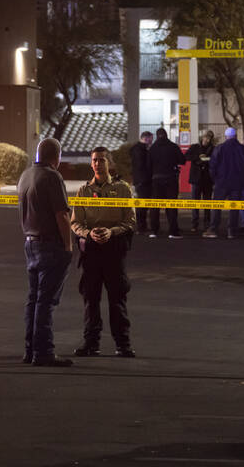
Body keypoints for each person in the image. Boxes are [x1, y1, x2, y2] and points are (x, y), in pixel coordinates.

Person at [71, 146, 138, 358]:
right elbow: (75, 222)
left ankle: (123, 344)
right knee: (90, 299)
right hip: (91, 251)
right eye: (94, 160)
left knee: (117, 298)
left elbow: (130, 221)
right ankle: (91, 343)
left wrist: (111, 231)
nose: (97, 164)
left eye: (101, 160)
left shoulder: (122, 189)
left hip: (113, 249)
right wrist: (89, 234)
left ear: (109, 162)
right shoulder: (83, 191)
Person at [18, 137, 75, 367]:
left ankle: (30, 349)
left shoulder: (26, 176)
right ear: (57, 157)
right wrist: (68, 245)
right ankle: (44, 352)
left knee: (33, 299)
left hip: (30, 243)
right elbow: (62, 214)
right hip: (50, 245)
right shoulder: (52, 176)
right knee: (46, 301)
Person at [207, 127, 244, 238]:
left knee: (216, 206)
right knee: (234, 208)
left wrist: (215, 180)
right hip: (237, 184)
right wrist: (243, 181)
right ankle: (232, 231)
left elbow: (212, 166)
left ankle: (213, 229)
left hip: (221, 183)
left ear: (226, 137)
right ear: (235, 136)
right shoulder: (242, 149)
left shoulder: (220, 148)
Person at [147, 127, 186, 238]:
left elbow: (148, 166)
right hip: (171, 179)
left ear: (156, 135)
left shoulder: (152, 149)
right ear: (166, 135)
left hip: (156, 179)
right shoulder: (173, 147)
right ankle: (173, 231)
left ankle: (154, 231)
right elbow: (182, 160)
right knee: (171, 205)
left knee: (155, 206)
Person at [185, 130, 215, 234]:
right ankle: (194, 224)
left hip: (208, 179)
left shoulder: (213, 148)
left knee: (207, 203)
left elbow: (215, 160)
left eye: (209, 138)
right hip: (196, 179)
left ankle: (207, 224)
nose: (206, 139)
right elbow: (186, 157)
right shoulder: (195, 147)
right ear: (202, 137)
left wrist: (209, 160)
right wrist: (198, 158)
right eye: (205, 137)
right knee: (195, 202)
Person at [130, 131, 154, 233]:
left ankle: (142, 226)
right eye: (151, 139)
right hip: (143, 181)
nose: (151, 141)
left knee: (143, 204)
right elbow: (142, 165)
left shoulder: (136, 148)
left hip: (140, 180)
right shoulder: (140, 149)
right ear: (146, 138)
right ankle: (141, 227)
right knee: (142, 204)